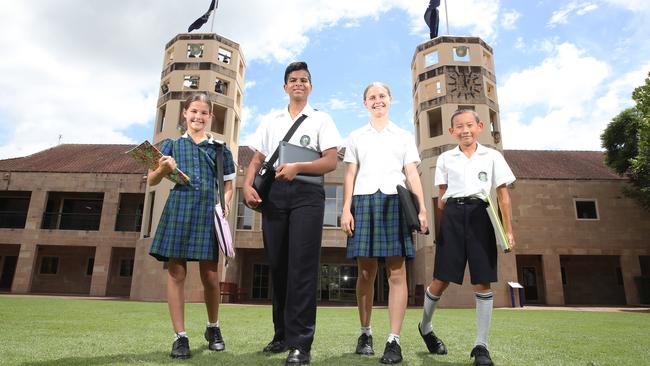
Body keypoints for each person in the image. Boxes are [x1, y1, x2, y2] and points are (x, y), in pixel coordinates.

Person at [243, 61, 342, 366]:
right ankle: (282, 335)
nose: (298, 83)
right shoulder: (271, 120)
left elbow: (330, 162)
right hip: (275, 194)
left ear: (310, 87)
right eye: (293, 80)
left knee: (301, 267)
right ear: (285, 87)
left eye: (304, 80)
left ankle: (301, 344)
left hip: (307, 195)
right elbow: (258, 158)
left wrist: (299, 166)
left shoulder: (321, 119)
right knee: (278, 265)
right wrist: (247, 186)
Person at [417, 109, 515, 366]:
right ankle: (425, 326)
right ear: (452, 132)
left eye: (469, 125)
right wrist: (449, 219)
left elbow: (503, 195)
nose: (465, 130)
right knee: (441, 280)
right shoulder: (445, 158)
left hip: (482, 215)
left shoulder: (492, 156)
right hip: (451, 216)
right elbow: (441, 196)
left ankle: (481, 346)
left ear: (479, 126)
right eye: (459, 127)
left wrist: (508, 230)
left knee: (483, 281)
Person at [341, 82, 428, 364]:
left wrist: (422, 208)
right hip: (363, 203)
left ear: (390, 99)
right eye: (371, 97)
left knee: (397, 274)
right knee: (366, 273)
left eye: (382, 96)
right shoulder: (355, 136)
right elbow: (350, 174)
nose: (377, 100)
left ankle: (394, 340)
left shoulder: (403, 136)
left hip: (394, 202)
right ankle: (365, 333)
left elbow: (412, 174)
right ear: (365, 103)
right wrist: (346, 209)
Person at [148, 92, 236, 359]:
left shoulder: (220, 148)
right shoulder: (171, 145)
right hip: (179, 211)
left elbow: (229, 184)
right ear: (184, 113)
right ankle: (180, 337)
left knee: (210, 277)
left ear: (210, 117)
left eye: (203, 113)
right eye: (193, 111)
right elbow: (152, 179)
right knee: (176, 274)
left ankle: (213, 328)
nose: (198, 117)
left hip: (208, 213)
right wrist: (165, 168)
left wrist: (225, 204)